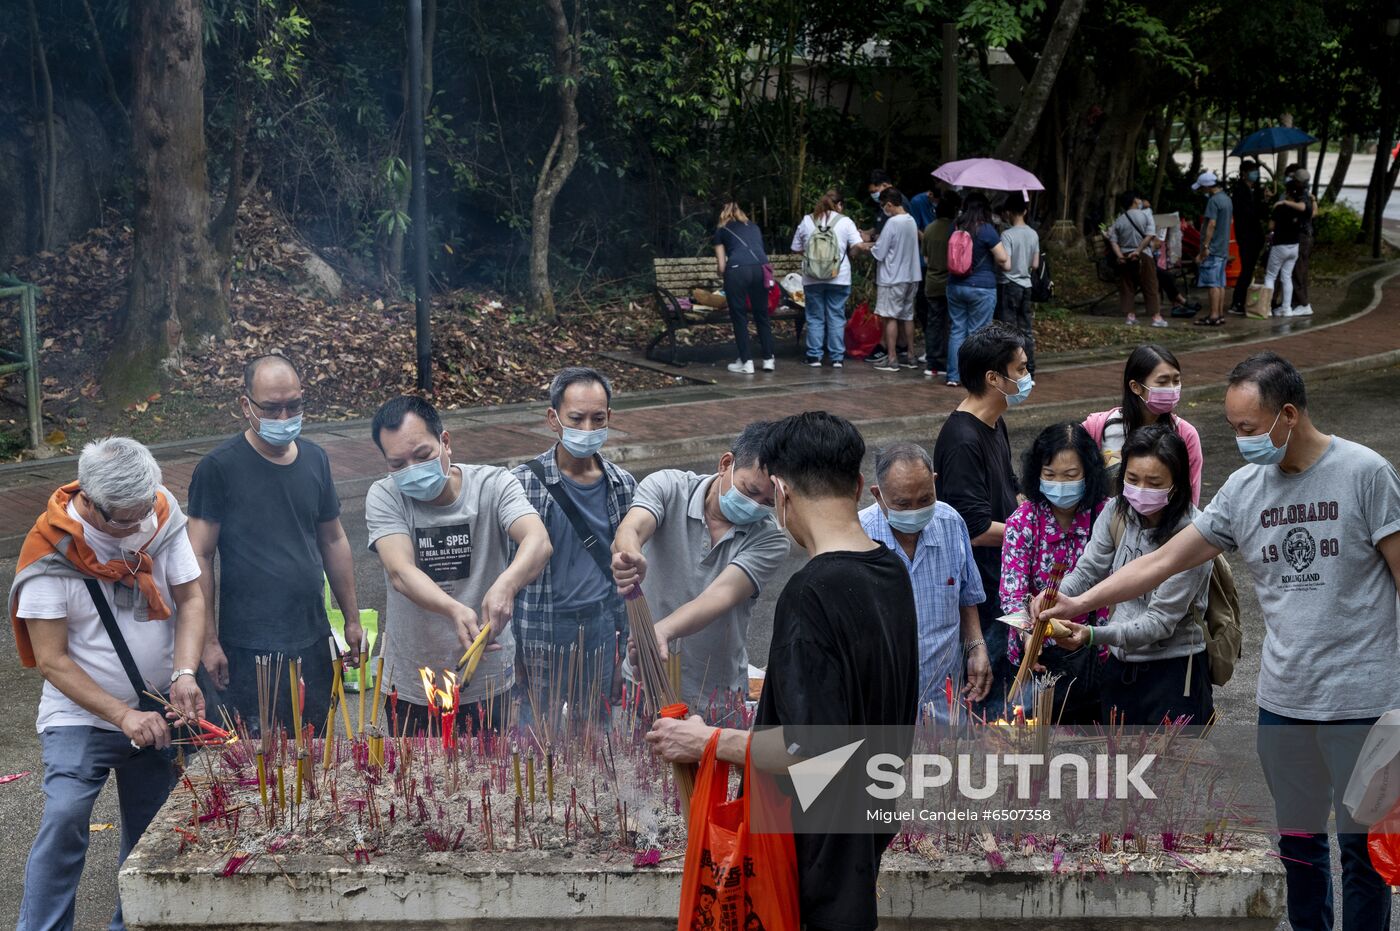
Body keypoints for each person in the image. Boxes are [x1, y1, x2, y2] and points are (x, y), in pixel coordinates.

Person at [1037, 351, 1400, 930]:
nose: (1240, 440)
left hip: (1363, 704)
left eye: (1248, 428)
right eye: (1232, 428)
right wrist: (1076, 602)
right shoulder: (1244, 489)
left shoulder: (1366, 474)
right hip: (1284, 702)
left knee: (1363, 855)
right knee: (1299, 847)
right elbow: (1160, 562)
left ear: (1287, 414)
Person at [646, 412, 919, 931]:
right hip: (862, 843)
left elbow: (808, 748)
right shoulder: (891, 572)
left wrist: (706, 741)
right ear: (858, 485)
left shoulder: (811, 594)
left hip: (806, 869)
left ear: (781, 492)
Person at [10, 438, 206, 931]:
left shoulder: (159, 515)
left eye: (145, 512)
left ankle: (134, 924)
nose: (140, 526)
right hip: (81, 715)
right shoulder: (49, 553)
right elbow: (52, 660)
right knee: (65, 817)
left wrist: (184, 672)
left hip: (157, 708)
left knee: (153, 834)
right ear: (91, 503)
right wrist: (121, 715)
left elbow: (191, 599)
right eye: (125, 520)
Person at [188, 354, 361, 736]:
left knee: (319, 746)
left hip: (313, 635)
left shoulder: (315, 459)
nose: (284, 418)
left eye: (293, 406)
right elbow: (198, 554)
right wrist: (208, 642)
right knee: (260, 753)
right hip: (249, 645)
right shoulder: (218, 469)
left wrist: (351, 619)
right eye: (271, 408)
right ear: (245, 405)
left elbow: (333, 539)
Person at [365, 395, 552, 734]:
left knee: (490, 764)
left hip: (487, 676)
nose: (412, 470)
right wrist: (453, 609)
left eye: (422, 455)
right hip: (413, 678)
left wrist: (507, 585)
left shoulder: (493, 485)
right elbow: (400, 572)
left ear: (445, 442)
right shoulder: (385, 495)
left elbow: (537, 540)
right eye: (397, 464)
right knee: (414, 766)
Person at [612, 422, 789, 720]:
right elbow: (633, 525)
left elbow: (720, 595)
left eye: (768, 503)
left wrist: (661, 632)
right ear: (726, 464)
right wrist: (630, 553)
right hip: (646, 682)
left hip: (716, 696)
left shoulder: (770, 539)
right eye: (750, 490)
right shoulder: (669, 487)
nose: (754, 505)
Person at [1045, 425, 1213, 724]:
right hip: (1119, 668)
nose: (1140, 490)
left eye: (1154, 482)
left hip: (1173, 675)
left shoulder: (1193, 537)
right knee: (1117, 751)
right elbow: (1088, 570)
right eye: (1132, 479)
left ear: (1177, 484)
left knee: (1172, 754)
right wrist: (1054, 597)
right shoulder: (1117, 512)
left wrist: (1092, 635)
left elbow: (1158, 623)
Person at [511, 368, 636, 724]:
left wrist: (622, 655)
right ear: (553, 419)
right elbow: (504, 571)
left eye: (598, 419)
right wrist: (512, 654)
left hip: (599, 628)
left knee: (596, 736)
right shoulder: (521, 484)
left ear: (609, 417)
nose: (587, 429)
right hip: (540, 629)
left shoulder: (623, 486)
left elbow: (629, 579)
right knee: (537, 734)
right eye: (576, 419)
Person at [933, 323, 1028, 716]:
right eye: (1021, 369)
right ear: (993, 378)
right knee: (988, 702)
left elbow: (1011, 488)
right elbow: (973, 530)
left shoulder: (994, 422)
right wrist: (1032, 536)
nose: (1027, 377)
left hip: (1005, 579)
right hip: (984, 593)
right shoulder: (962, 441)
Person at [859, 441, 990, 719]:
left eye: (925, 500)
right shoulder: (859, 537)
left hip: (944, 701)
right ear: (877, 495)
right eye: (902, 504)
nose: (914, 511)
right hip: (883, 707)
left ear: (934, 482)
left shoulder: (951, 523)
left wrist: (977, 647)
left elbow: (966, 596)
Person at [999, 423, 1111, 724]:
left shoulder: (1107, 516)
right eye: (1049, 475)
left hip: (1094, 654)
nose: (1059, 484)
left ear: (1089, 473)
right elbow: (1011, 596)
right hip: (1036, 658)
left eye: (1070, 475)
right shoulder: (1023, 521)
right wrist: (1028, 635)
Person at [1082, 344, 1204, 503]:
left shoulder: (1185, 435)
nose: (1172, 389)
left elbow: (1189, 498)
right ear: (1136, 387)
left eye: (1176, 381)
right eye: (1162, 382)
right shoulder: (1097, 428)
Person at [944, 194, 1011, 388]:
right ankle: (973, 377)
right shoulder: (986, 229)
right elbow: (1002, 258)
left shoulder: (955, 226)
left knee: (957, 330)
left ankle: (953, 376)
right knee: (977, 334)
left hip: (955, 286)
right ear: (985, 209)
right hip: (981, 287)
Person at [791, 189, 862, 368]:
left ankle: (814, 356)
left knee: (815, 317)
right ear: (839, 205)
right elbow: (857, 246)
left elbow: (796, 248)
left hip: (812, 278)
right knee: (836, 316)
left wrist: (814, 259)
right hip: (839, 277)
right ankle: (837, 357)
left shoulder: (807, 220)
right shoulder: (845, 221)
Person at [854, 187, 922, 373]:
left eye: (884, 206)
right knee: (907, 316)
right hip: (911, 276)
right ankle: (911, 356)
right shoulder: (911, 220)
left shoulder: (892, 223)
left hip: (892, 277)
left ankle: (892, 358)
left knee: (889, 317)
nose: (884, 209)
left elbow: (880, 251)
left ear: (890, 204)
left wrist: (864, 246)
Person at [713, 200, 775, 374]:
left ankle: (746, 362)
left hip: (737, 271)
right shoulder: (754, 227)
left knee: (739, 316)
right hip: (760, 269)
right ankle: (768, 359)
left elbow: (722, 267)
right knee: (761, 314)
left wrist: (720, 273)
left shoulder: (721, 230)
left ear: (722, 214)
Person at [1105, 190, 1164, 328]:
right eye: (1138, 199)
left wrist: (1120, 256)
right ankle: (1156, 317)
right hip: (1144, 254)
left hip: (1125, 255)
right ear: (1134, 201)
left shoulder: (1119, 219)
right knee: (1150, 284)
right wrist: (1138, 251)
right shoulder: (1145, 215)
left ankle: (1130, 316)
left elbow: (1113, 240)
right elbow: (1150, 235)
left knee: (1127, 285)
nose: (1140, 201)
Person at [997, 192, 1042, 367]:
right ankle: (1029, 369)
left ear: (1008, 212)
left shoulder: (1007, 235)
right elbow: (1035, 264)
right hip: (1026, 285)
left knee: (1009, 330)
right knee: (1026, 330)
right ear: (1025, 211)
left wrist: (997, 261)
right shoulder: (1033, 234)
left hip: (1009, 284)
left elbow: (1007, 265)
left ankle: (1010, 368)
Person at [921, 190, 960, 377]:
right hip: (951, 282)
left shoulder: (929, 229)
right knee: (951, 324)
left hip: (932, 282)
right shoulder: (956, 230)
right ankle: (948, 361)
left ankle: (932, 362)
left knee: (934, 323)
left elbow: (926, 258)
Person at [1260, 183, 1310, 319]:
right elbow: (1308, 210)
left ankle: (1267, 308)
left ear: (1288, 193)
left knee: (1270, 276)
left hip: (1280, 245)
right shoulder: (1301, 209)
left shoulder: (1280, 208)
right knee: (1286, 276)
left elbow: (1271, 226)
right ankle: (1286, 309)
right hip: (1294, 246)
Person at [1192, 171, 1233, 326]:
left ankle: (1214, 315)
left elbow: (1211, 224)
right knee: (1220, 283)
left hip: (1213, 248)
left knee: (1212, 284)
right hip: (1223, 248)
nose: (1201, 190)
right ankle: (1220, 314)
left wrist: (1205, 247)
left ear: (1207, 186)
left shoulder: (1213, 201)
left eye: (1202, 187)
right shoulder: (1227, 199)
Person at [1228, 160, 1268, 317]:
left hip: (1254, 236)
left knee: (1249, 270)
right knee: (1246, 270)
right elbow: (1249, 214)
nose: (1255, 174)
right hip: (1246, 236)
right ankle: (1237, 301)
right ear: (1244, 173)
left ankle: (1242, 300)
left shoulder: (1254, 191)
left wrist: (1264, 199)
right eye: (1252, 171)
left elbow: (1261, 213)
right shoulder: (1240, 192)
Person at [1289, 168, 1316, 317]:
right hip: (1306, 236)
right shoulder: (1307, 195)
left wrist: (1285, 203)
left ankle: (1303, 303)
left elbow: (1305, 209)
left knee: (1298, 271)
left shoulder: (1303, 197)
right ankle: (1298, 302)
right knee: (1301, 270)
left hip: (1302, 237)